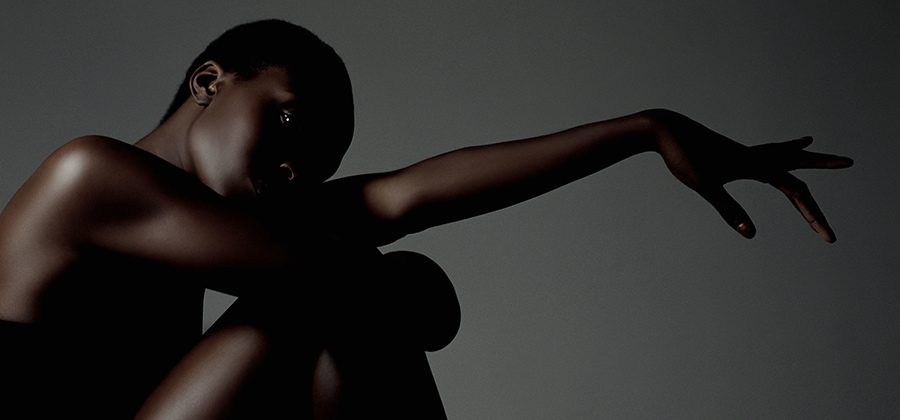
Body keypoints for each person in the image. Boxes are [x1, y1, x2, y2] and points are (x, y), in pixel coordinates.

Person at [0, 19, 852, 419]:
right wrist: (409, 284)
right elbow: (368, 279)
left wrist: (643, 130)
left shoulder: (230, 220)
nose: (292, 169)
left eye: (312, 166)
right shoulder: (90, 175)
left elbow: (405, 196)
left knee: (342, 312)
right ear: (210, 80)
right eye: (288, 118)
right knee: (326, 303)